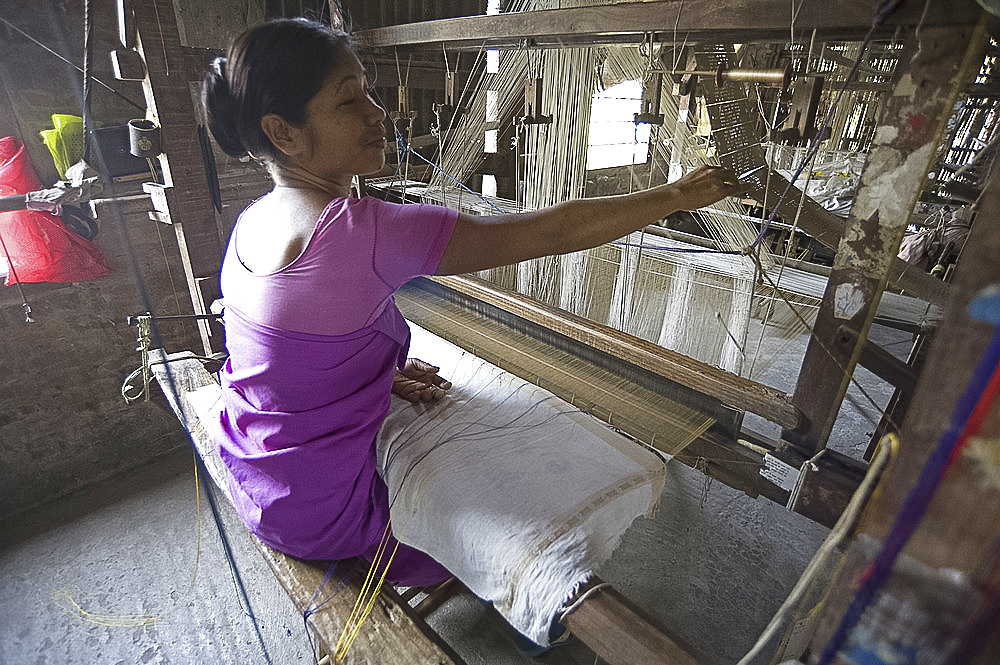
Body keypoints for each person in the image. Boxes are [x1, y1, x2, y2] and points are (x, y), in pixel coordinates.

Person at [201, 17, 746, 588]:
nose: (376, 113)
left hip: (254, 467)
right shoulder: (363, 233)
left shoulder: (252, 223)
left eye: (367, 90)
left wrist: (374, 380)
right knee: (518, 535)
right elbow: (553, 233)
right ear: (283, 133)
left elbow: (285, 359)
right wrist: (682, 193)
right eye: (349, 100)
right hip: (318, 512)